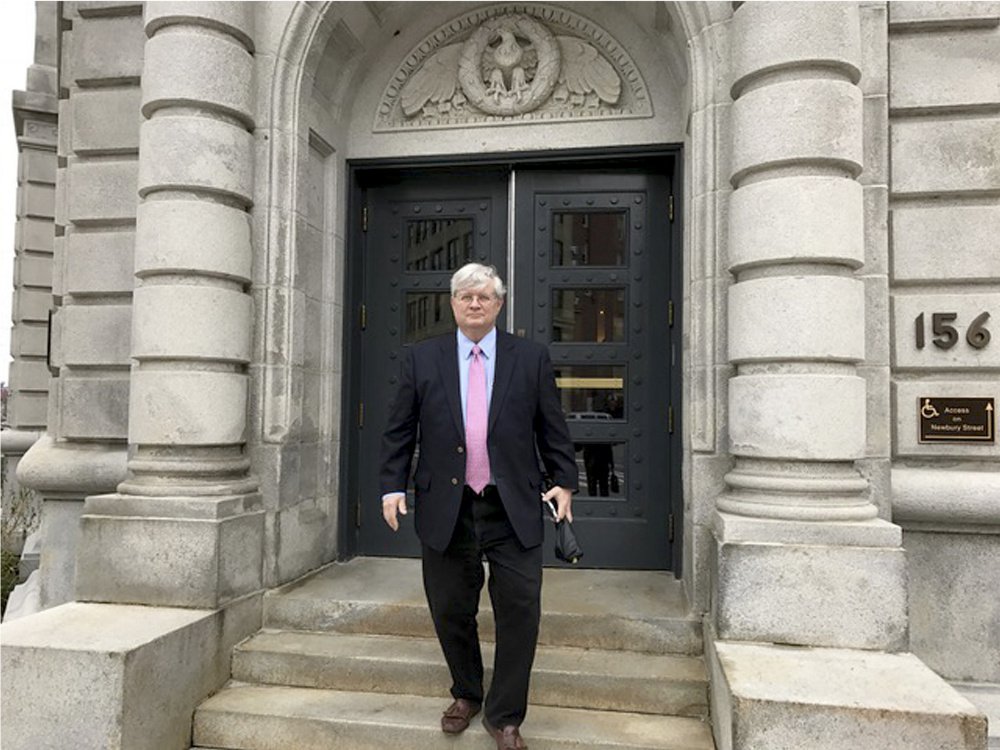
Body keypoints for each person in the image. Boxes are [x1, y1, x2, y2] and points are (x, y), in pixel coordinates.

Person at [380, 262, 577, 750]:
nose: (474, 303)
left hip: (511, 505)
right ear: (452, 303)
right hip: (447, 505)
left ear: (499, 304)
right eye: (465, 296)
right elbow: (399, 430)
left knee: (519, 612)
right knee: (450, 607)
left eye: (484, 297)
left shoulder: (529, 358)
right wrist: (392, 486)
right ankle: (466, 692)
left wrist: (565, 482)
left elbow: (552, 427)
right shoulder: (421, 360)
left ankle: (505, 715)